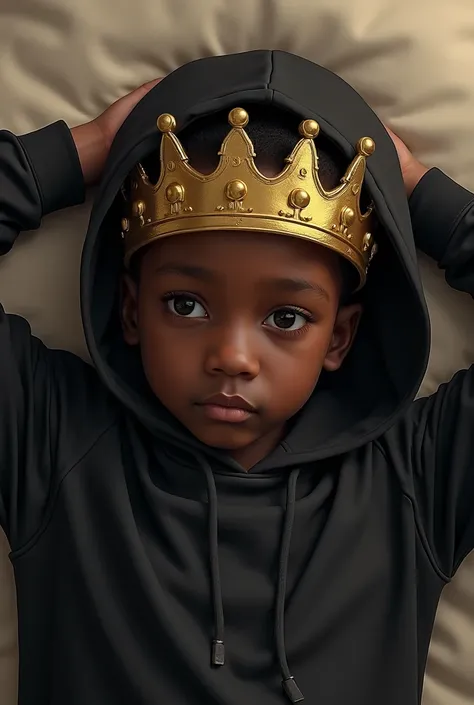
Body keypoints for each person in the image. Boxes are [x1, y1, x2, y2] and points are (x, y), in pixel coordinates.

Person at [1, 49, 473, 705]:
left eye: (286, 316)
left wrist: (414, 187)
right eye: (185, 305)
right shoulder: (52, 437)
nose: (232, 356)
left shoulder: (415, 477)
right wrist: (91, 148)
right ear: (132, 310)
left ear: (339, 335)